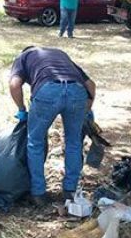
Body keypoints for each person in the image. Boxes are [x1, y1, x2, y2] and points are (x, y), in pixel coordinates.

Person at [9, 46, 96, 207]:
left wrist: (21, 110)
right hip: (77, 91)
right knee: (74, 142)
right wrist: (87, 110)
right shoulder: (60, 54)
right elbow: (91, 84)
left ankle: (38, 193)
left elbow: (14, 85)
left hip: (47, 91)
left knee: (35, 142)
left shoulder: (23, 57)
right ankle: (70, 191)